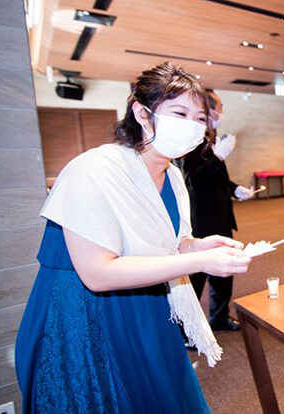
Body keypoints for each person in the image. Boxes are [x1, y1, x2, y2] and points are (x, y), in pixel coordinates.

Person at [15, 62, 252, 413]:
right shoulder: (93, 170)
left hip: (147, 304)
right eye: (179, 113)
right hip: (84, 314)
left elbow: (171, 242)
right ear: (142, 113)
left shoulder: (172, 176)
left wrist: (200, 245)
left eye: (200, 118)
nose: (192, 126)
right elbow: (97, 274)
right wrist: (199, 260)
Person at [178, 89, 254, 332]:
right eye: (219, 107)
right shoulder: (191, 140)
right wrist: (218, 156)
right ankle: (186, 328)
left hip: (220, 216)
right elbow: (193, 179)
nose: (222, 112)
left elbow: (216, 178)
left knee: (224, 272)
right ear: (207, 110)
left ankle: (219, 318)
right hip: (202, 220)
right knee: (196, 275)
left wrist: (236, 189)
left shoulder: (211, 137)